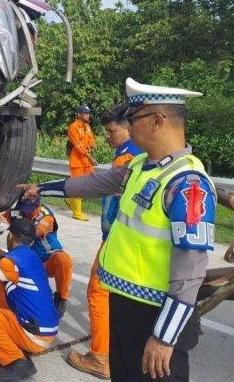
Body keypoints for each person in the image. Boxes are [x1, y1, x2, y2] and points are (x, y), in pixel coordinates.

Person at [19, 78, 215, 381]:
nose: (129, 128)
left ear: (157, 120)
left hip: (155, 316)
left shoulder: (187, 184)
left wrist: (164, 337)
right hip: (124, 304)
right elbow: (95, 183)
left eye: (133, 119)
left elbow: (191, 271)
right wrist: (41, 188)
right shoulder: (141, 166)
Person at [66, 103, 142, 379]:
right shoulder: (137, 154)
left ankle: (99, 357)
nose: (107, 135)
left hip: (116, 238)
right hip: (126, 238)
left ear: (129, 128)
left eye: (112, 130)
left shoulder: (126, 159)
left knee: (98, 292)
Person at [0, 218, 59, 382]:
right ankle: (15, 333)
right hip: (47, 331)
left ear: (10, 237)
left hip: (35, 337)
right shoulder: (30, 255)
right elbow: (5, 257)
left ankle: (17, 362)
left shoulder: (11, 262)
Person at [7, 198, 72, 317]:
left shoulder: (46, 216)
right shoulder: (17, 211)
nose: (25, 213)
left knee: (64, 259)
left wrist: (16, 226)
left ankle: (61, 298)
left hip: (47, 259)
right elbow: (1, 217)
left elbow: (37, 232)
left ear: (38, 207)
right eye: (23, 209)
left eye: (29, 210)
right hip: (28, 259)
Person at [66, 104, 97, 221]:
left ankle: (70, 200)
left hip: (87, 161)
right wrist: (89, 157)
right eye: (85, 113)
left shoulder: (87, 126)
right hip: (78, 161)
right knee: (79, 186)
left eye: (88, 113)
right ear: (79, 114)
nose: (88, 115)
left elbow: (91, 140)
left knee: (89, 183)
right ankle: (77, 212)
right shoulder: (73, 127)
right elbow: (78, 145)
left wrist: (92, 148)